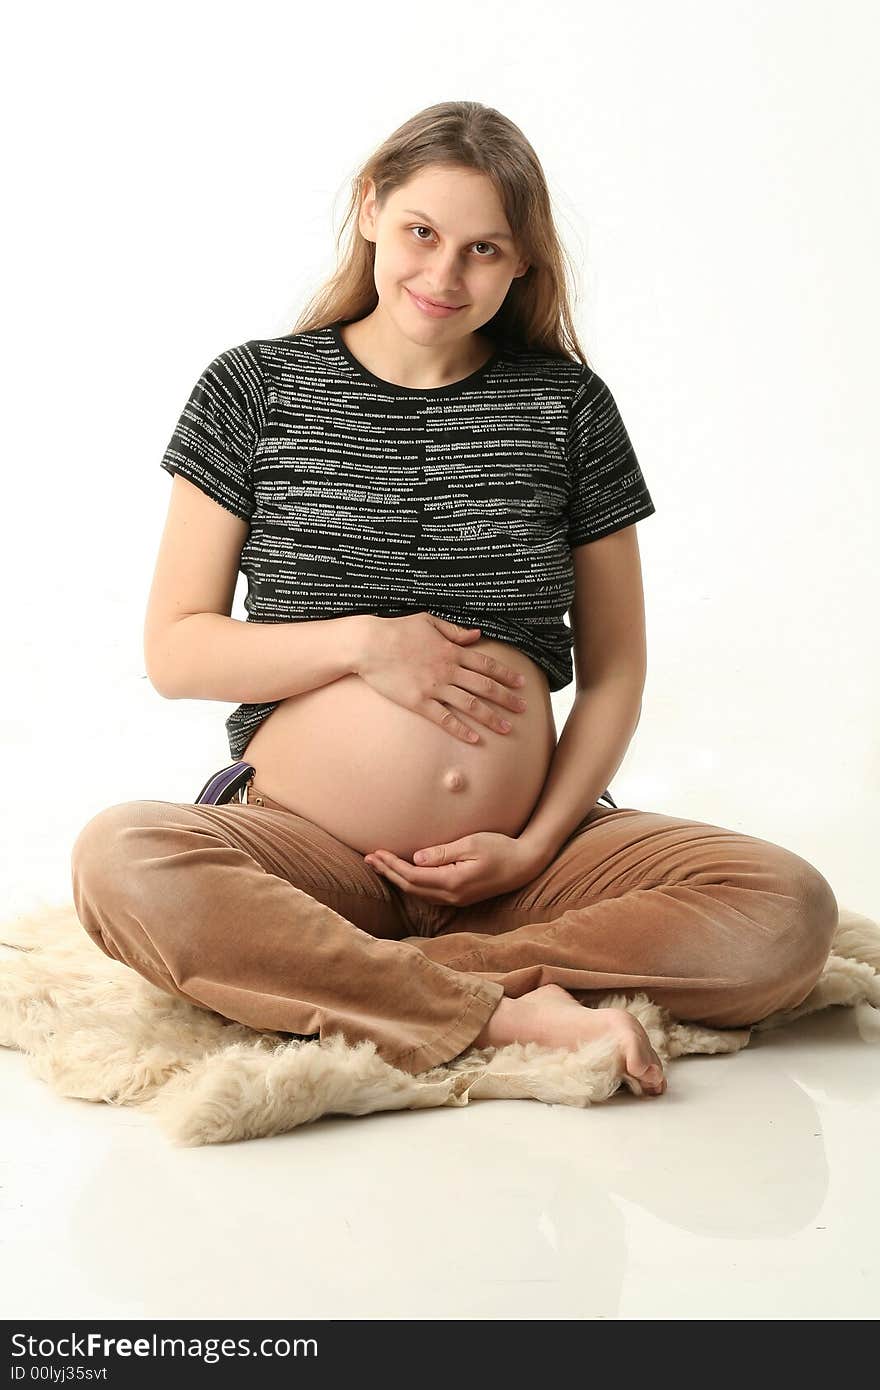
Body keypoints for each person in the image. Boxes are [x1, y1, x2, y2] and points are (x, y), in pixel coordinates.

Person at [70, 101, 838, 1099]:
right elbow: (178, 650)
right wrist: (361, 646)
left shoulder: (567, 407)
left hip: (524, 871)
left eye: (483, 250)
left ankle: (366, 983)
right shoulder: (253, 390)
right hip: (306, 853)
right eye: (421, 234)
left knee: (785, 911)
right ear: (371, 210)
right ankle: (514, 1012)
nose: (442, 275)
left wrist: (531, 841)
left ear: (521, 265)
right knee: (120, 858)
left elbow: (616, 673)